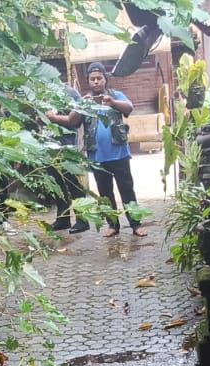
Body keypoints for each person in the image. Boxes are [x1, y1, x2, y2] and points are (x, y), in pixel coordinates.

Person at [82, 63, 145, 238]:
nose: (96, 82)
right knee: (105, 194)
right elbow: (73, 120)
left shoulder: (115, 95)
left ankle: (136, 224)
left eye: (99, 78)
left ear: (105, 79)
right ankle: (113, 225)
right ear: (88, 82)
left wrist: (113, 102)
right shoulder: (85, 102)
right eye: (92, 79)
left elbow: (129, 108)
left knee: (127, 190)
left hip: (119, 155)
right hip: (96, 158)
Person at [42, 86, 88, 233]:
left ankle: (82, 220)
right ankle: (63, 219)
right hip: (48, 146)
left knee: (73, 183)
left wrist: (53, 118)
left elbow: (77, 119)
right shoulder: (41, 93)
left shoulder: (70, 93)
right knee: (56, 183)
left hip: (66, 146)